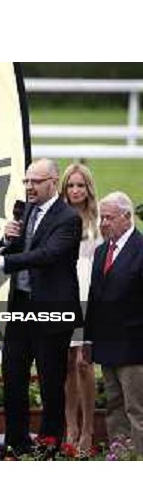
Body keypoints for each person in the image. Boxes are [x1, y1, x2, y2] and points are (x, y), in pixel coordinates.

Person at [0, 158, 82, 457]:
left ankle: (49, 445)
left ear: (53, 181)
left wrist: (4, 261)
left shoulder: (68, 218)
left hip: (52, 309)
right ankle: (17, 442)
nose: (29, 187)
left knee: (50, 382)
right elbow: (14, 250)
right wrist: (5, 240)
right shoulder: (27, 210)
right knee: (13, 375)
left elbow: (47, 255)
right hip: (21, 306)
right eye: (26, 182)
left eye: (35, 181)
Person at [84, 192, 143, 454]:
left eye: (109, 218)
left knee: (136, 409)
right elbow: (93, 300)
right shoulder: (100, 252)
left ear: (127, 218)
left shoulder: (141, 250)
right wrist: (88, 339)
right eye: (101, 217)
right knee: (114, 407)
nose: (103, 223)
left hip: (134, 347)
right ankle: (119, 456)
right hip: (107, 345)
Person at [59, 163, 102, 454]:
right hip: (62, 294)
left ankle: (89, 428)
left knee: (84, 364)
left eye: (80, 185)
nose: (75, 190)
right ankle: (70, 427)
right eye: (71, 185)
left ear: (88, 189)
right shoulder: (57, 216)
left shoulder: (100, 220)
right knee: (66, 364)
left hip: (91, 296)